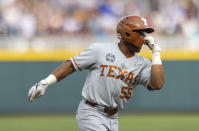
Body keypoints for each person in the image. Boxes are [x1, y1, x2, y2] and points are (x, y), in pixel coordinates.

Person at [28, 15, 164, 131]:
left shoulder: (143, 63)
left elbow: (157, 85)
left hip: (113, 117)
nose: (145, 38)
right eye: (141, 33)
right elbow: (71, 65)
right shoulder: (100, 50)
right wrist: (45, 82)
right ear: (128, 33)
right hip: (91, 112)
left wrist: (156, 52)